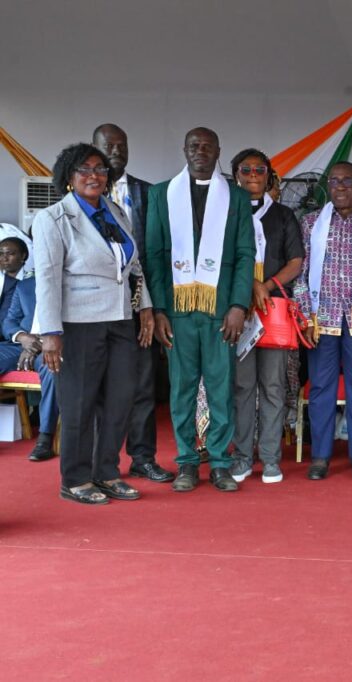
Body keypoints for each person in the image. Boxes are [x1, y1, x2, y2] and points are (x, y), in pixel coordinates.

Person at [34, 143, 154, 504]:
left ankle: (106, 472)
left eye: (100, 169)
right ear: (69, 177)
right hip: (78, 324)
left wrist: (145, 308)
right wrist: (50, 333)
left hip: (121, 320)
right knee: (79, 403)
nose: (94, 175)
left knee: (120, 400)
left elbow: (133, 266)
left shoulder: (115, 211)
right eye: (84, 169)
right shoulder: (54, 218)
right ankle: (75, 479)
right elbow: (47, 279)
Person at [145, 127, 256, 493]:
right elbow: (154, 255)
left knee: (221, 388)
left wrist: (238, 305)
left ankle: (220, 463)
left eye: (208, 146)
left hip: (220, 309)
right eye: (194, 145)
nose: (200, 151)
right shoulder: (161, 194)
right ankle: (187, 462)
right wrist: (159, 309)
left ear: (218, 151)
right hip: (177, 310)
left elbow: (245, 254)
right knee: (182, 389)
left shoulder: (236, 197)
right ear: (184, 150)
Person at [293, 161, 352, 481]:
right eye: (334, 181)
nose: (341, 186)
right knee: (321, 388)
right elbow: (300, 273)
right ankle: (320, 457)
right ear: (328, 186)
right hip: (322, 319)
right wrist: (306, 316)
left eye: (347, 181)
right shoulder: (310, 224)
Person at [93, 123, 172, 483]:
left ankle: (143, 458)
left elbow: (157, 253)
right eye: (108, 146)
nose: (116, 151)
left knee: (142, 387)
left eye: (121, 146)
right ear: (93, 149)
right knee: (100, 389)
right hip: (95, 311)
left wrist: (155, 308)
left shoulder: (149, 193)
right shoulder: (81, 195)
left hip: (140, 307)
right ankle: (101, 463)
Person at [226, 149, 303, 484]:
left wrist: (265, 286)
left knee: (272, 386)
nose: (253, 175)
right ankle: (242, 457)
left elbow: (296, 261)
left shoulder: (284, 215)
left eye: (260, 169)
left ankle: (271, 459)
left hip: (272, 311)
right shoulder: (225, 213)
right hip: (237, 311)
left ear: (269, 175)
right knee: (242, 386)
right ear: (236, 175)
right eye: (246, 169)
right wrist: (249, 285)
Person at [0, 274, 58, 461]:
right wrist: (23, 337)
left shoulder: (72, 282)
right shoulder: (25, 286)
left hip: (54, 345)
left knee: (52, 366)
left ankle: (45, 439)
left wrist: (41, 343)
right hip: (20, 345)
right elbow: (9, 322)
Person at [0, 236, 28, 332]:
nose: (4, 258)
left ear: (23, 256)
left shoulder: (30, 281)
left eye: (10, 254)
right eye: (1, 254)